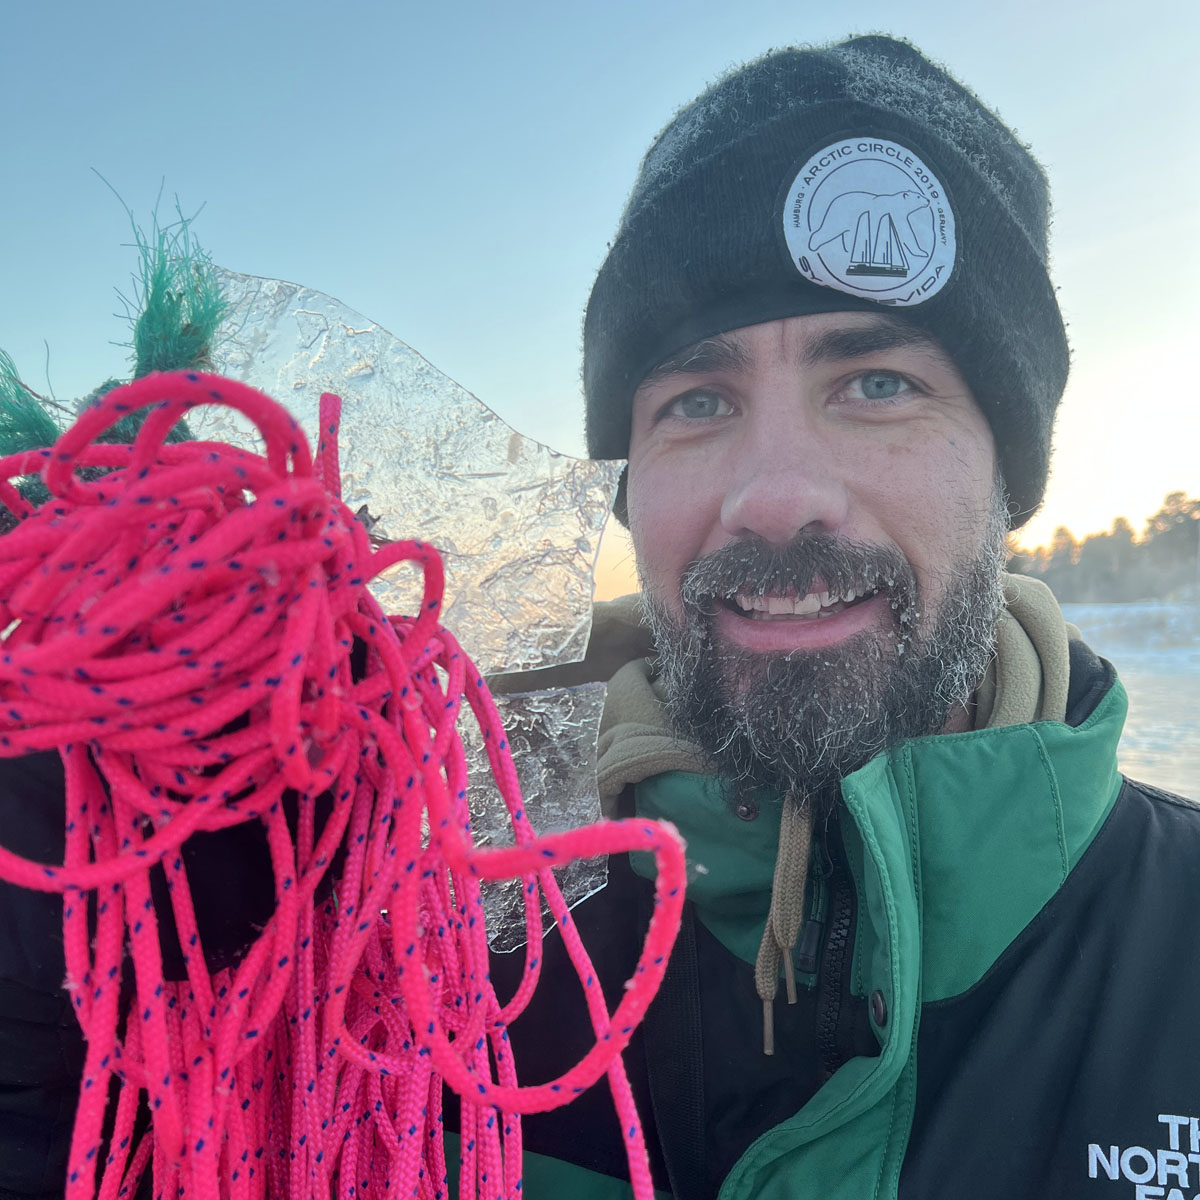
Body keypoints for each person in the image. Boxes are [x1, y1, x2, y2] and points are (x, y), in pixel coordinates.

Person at [485, 33, 1200, 1200]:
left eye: (877, 384)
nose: (775, 494)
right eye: (698, 400)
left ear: (1007, 473)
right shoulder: (454, 950)